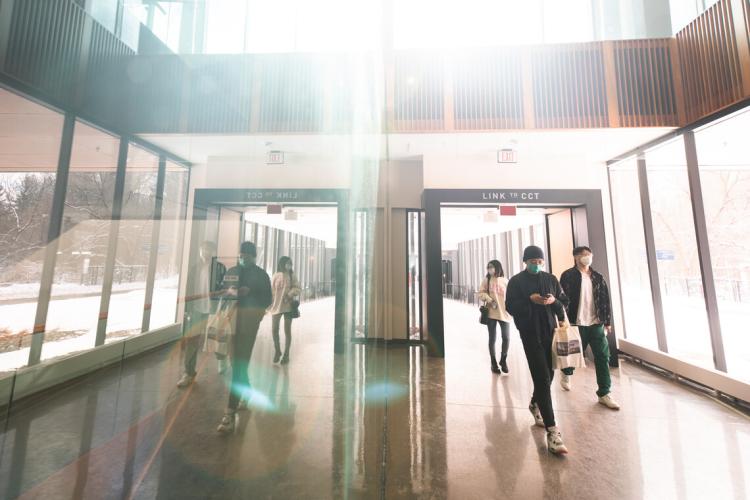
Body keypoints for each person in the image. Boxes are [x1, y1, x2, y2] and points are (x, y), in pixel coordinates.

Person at [505, 245, 570, 455]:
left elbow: (563, 302)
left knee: (549, 374)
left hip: (550, 332)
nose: (536, 264)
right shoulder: (516, 281)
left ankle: (535, 403)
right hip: (530, 333)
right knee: (542, 377)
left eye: (539, 261)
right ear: (525, 261)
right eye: (533, 261)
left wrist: (554, 302)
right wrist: (529, 300)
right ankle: (553, 431)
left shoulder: (550, 279)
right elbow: (510, 306)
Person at [216, 241, 273, 434]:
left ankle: (229, 414)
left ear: (253, 256)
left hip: (248, 326)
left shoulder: (261, 275)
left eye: (247, 255)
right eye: (241, 254)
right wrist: (230, 293)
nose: (243, 258)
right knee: (237, 364)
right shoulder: (231, 271)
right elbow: (223, 293)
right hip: (231, 323)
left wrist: (250, 295)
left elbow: (267, 301)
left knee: (239, 365)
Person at [559, 246, 620, 410]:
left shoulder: (598, 278)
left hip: (596, 324)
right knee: (573, 355)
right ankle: (566, 373)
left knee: (602, 357)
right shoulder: (568, 276)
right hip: (575, 323)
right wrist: (562, 319)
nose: (587, 257)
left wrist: (607, 321)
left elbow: (605, 300)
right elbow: (562, 299)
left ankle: (604, 393)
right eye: (583, 255)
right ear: (576, 257)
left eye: (589, 255)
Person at [177, 241, 226, 388]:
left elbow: (226, 288)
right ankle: (189, 373)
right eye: (203, 249)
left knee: (218, 339)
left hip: (214, 310)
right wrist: (187, 308)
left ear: (213, 252)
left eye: (208, 250)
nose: (205, 252)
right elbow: (189, 288)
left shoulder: (220, 268)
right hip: (197, 308)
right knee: (192, 340)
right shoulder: (195, 267)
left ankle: (222, 362)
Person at [478, 260, 511, 374]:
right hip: (491, 313)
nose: (490, 269)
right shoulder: (486, 280)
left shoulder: (505, 281)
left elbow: (511, 296)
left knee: (506, 338)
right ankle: (493, 363)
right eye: (488, 267)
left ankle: (503, 360)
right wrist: (490, 300)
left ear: (498, 267)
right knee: (492, 338)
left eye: (491, 267)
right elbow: (480, 293)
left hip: (505, 313)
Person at [268, 256, 301, 364]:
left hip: (288, 307)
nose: (289, 265)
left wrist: (289, 294)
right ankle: (277, 351)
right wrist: (269, 305)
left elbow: (297, 288)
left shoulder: (292, 275)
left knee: (287, 331)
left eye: (290, 263)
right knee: (274, 330)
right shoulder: (275, 276)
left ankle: (286, 355)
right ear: (282, 263)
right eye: (287, 263)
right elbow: (271, 291)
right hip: (276, 306)